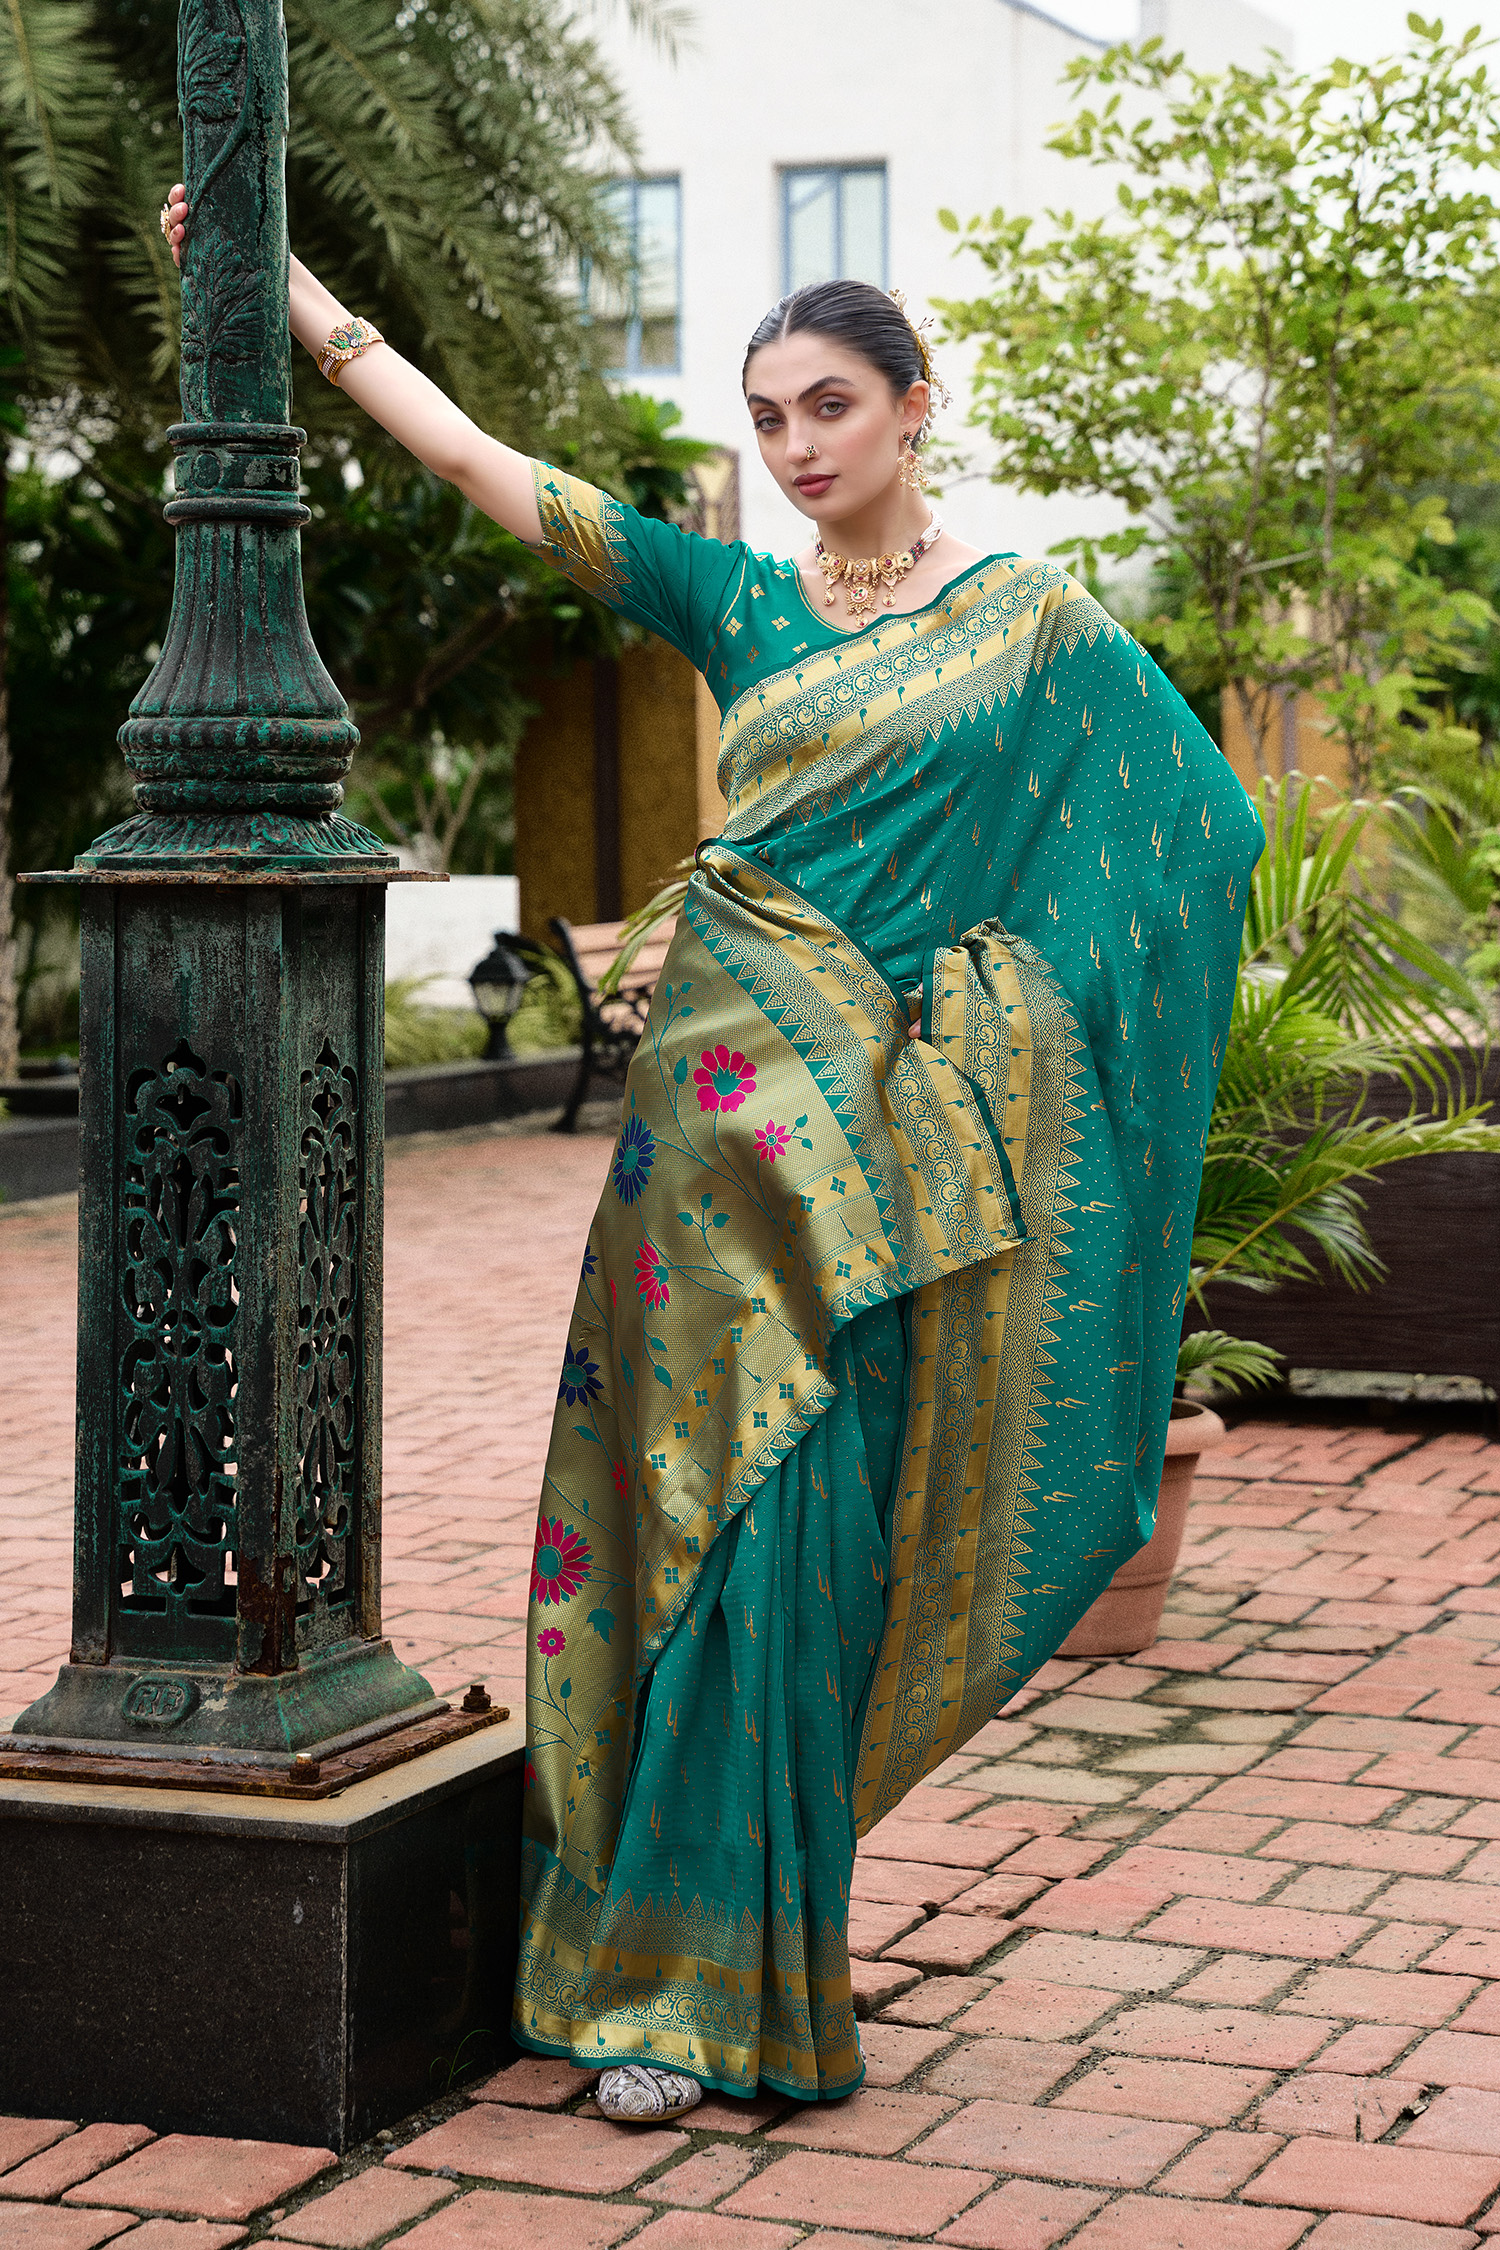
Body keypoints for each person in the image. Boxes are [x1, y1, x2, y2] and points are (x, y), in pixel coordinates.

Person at [164, 190, 1262, 2124]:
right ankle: (639, 1979)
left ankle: (740, 1974)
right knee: (660, 1528)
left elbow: (1193, 836)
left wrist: (987, 1010)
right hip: (693, 1155)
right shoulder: (736, 603)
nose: (796, 445)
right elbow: (478, 463)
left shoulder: (1031, 627)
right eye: (767, 417)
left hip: (870, 1159)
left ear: (916, 403)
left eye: (830, 404)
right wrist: (282, 287)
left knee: (805, 1538)